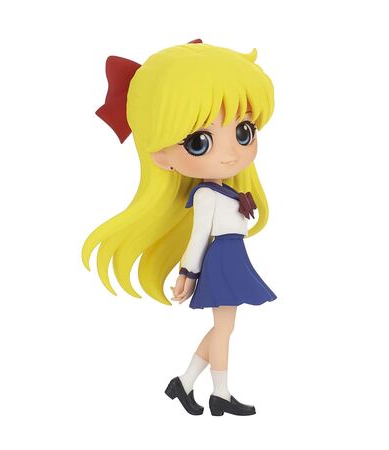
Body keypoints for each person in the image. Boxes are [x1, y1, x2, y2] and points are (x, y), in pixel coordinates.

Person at [82, 40, 277, 416]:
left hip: (231, 256)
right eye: (200, 141)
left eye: (244, 131)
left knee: (224, 328)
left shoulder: (226, 190)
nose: (230, 153)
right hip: (222, 259)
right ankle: (219, 393)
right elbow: (199, 235)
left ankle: (186, 384)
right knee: (224, 329)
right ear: (162, 156)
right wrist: (188, 274)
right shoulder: (205, 195)